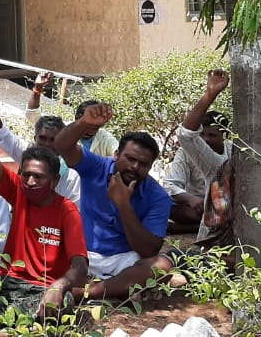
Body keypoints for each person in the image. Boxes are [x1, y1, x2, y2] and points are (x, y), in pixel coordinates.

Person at [0, 99, 90, 322]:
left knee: (61, 304)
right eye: (26, 175)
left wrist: (58, 286)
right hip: (8, 284)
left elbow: (81, 267)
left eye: (39, 177)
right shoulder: (18, 191)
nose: (31, 181)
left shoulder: (67, 210)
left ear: (54, 180)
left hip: (44, 288)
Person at [53, 103, 172, 300]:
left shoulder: (158, 196)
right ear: (116, 154)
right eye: (130, 158)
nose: (134, 167)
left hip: (123, 260)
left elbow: (148, 250)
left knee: (162, 267)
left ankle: (86, 292)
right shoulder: (96, 167)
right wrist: (84, 123)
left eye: (143, 164)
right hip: (82, 254)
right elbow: (61, 146)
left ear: (151, 167)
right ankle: (117, 289)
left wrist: (123, 204)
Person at [0, 69, 81, 207]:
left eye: (53, 140)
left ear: (55, 179)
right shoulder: (25, 152)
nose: (31, 182)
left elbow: (74, 214)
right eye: (43, 138)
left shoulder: (71, 174)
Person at [168, 69, 234, 243]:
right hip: (196, 210)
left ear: (225, 135)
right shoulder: (192, 154)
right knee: (165, 206)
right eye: (202, 135)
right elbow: (171, 185)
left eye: (212, 136)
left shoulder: (235, 153)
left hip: (228, 219)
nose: (205, 140)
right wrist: (191, 199)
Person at [26, 72, 118, 158]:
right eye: (88, 124)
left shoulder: (104, 137)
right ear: (77, 119)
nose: (91, 130)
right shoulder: (63, 130)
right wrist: (37, 89)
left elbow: (118, 152)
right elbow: (33, 116)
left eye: (95, 126)